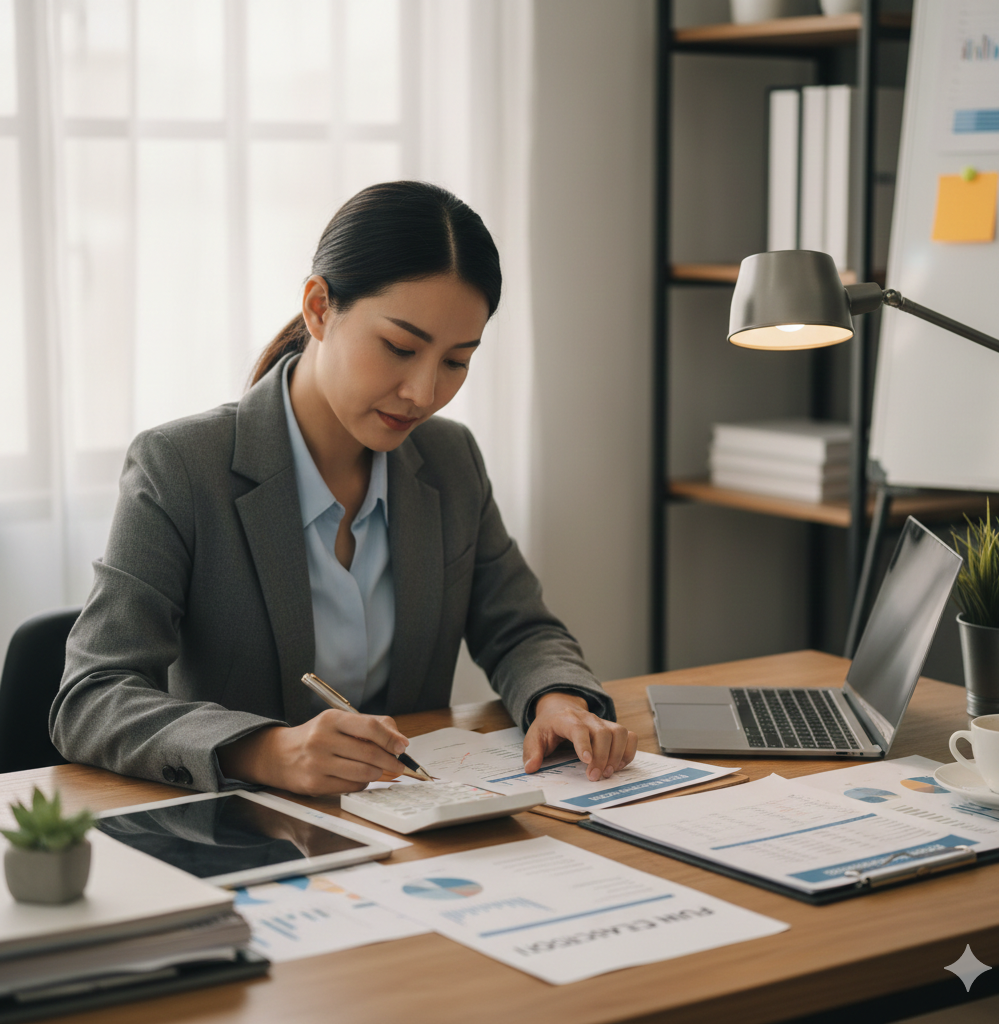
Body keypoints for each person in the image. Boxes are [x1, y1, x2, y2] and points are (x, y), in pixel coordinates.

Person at [51, 181, 637, 798]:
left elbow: (520, 629)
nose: (423, 392)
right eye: (400, 347)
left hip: (415, 830)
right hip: (247, 833)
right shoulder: (180, 467)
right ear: (318, 307)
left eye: (456, 361)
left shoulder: (449, 459)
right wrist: (265, 749)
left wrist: (559, 698)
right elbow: (92, 697)